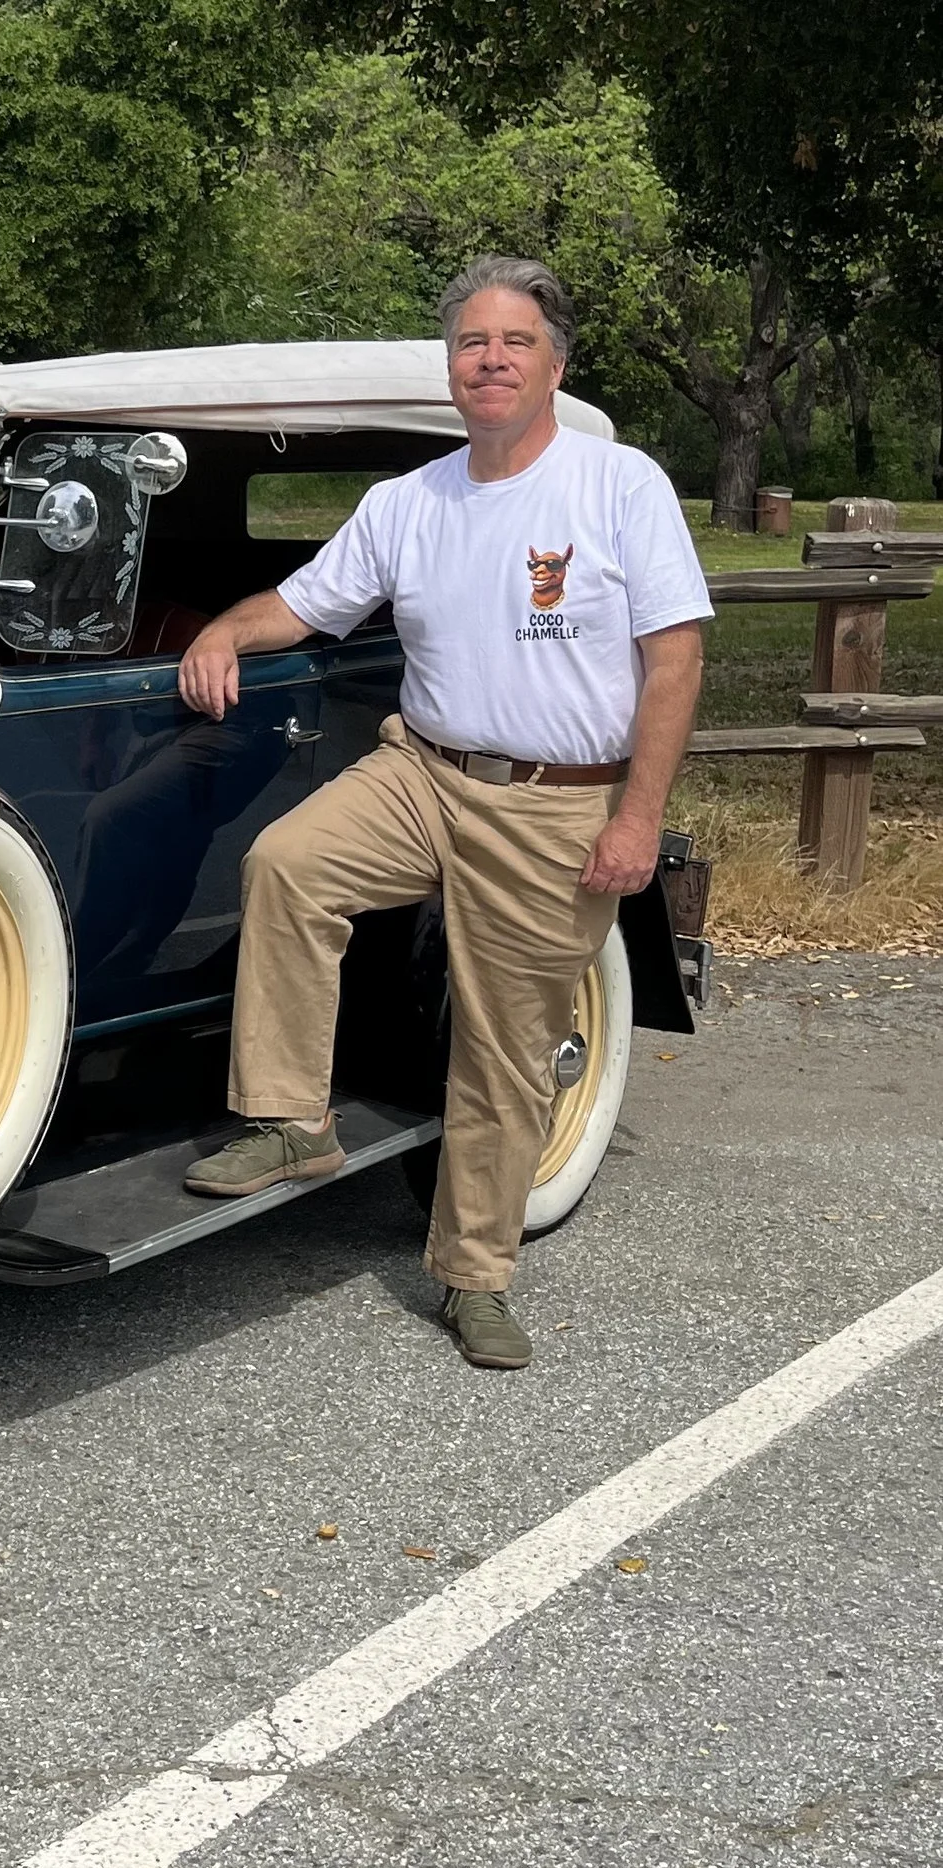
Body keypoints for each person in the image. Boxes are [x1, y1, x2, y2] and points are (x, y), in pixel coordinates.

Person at [172, 255, 711, 1371]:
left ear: (553, 363)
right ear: (450, 368)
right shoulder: (408, 502)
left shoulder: (620, 487)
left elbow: (675, 661)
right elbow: (302, 603)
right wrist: (224, 631)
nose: (491, 360)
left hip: (556, 804)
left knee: (504, 1048)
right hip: (421, 769)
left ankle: (473, 1276)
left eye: (515, 342)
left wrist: (632, 821)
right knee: (287, 863)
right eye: (472, 343)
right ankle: (291, 1124)